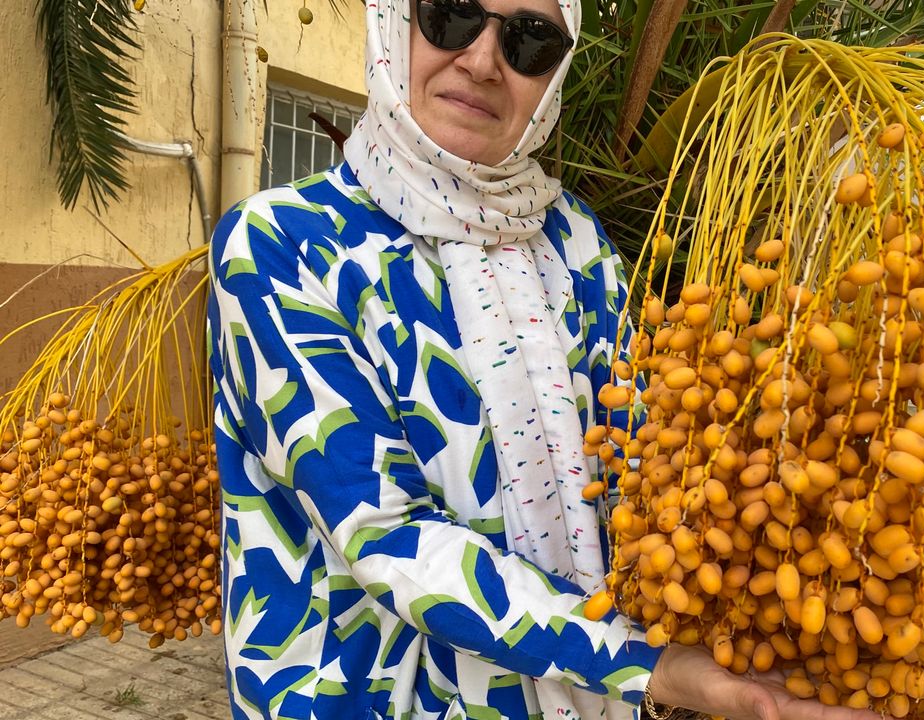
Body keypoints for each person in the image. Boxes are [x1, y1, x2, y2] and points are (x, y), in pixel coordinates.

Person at [207, 1, 883, 718]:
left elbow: (643, 469)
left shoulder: (573, 242)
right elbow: (386, 536)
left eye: (530, 39)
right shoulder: (281, 246)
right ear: (394, 21)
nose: (480, 60)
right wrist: (652, 666)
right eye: (451, 14)